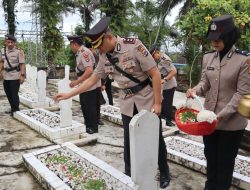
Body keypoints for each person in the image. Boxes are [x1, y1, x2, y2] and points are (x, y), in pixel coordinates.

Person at [54, 17, 171, 188]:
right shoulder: (103, 55)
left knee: (155, 138)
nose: (99, 50)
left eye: (100, 45)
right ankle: (130, 173)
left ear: (109, 37)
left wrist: (158, 103)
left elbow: (155, 74)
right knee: (129, 138)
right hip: (126, 101)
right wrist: (70, 93)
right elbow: (93, 78)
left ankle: (164, 172)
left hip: (146, 98)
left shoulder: (134, 46)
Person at [186, 15, 250, 190]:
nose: (215, 42)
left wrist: (219, 117)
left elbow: (242, 93)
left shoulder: (244, 60)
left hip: (230, 123)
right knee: (210, 157)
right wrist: (195, 90)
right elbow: (205, 83)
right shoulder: (208, 58)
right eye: (212, 39)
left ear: (230, 36)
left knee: (225, 162)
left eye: (219, 38)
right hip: (208, 120)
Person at [67, 35, 100, 134]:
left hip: (89, 84)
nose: (71, 47)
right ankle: (88, 125)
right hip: (85, 83)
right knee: (85, 105)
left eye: (71, 45)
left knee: (90, 106)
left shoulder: (84, 52)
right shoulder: (80, 52)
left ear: (75, 44)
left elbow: (89, 70)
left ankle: (93, 127)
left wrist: (77, 82)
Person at [150, 45, 177, 126]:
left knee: (167, 103)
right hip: (163, 85)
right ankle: (164, 119)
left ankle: (168, 121)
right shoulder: (158, 60)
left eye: (153, 56)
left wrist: (165, 79)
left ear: (157, 53)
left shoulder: (165, 59)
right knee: (162, 102)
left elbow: (174, 71)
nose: (153, 58)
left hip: (169, 85)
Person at [0, 35, 25, 116]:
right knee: (8, 93)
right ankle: (12, 108)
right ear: (5, 42)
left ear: (14, 43)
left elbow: (22, 64)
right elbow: (1, 62)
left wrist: (22, 75)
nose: (10, 44)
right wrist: (0, 71)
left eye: (12, 42)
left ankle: (16, 110)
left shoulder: (19, 51)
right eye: (8, 42)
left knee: (14, 94)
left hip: (15, 75)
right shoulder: (2, 51)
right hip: (6, 75)